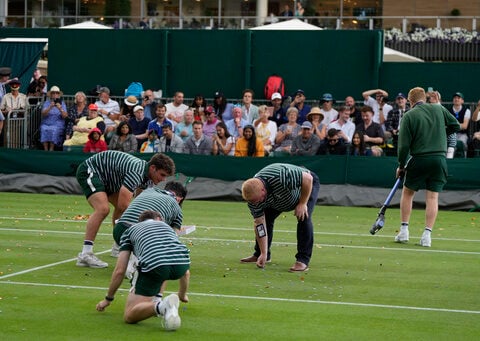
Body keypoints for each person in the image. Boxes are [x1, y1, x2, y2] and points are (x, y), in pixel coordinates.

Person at [75, 151, 175, 268]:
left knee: (121, 209)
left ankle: (118, 247)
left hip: (109, 178)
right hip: (91, 170)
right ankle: (85, 254)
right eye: (162, 175)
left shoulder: (148, 178)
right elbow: (124, 206)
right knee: (103, 209)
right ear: (153, 168)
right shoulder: (136, 173)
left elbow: (141, 205)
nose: (164, 180)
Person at [96, 210, 189, 331]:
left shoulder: (129, 231)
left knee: (129, 316)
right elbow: (186, 272)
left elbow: (120, 270)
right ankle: (160, 301)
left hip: (155, 265)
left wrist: (108, 299)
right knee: (164, 262)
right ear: (159, 218)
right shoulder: (167, 228)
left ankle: (162, 306)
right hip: (182, 263)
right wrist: (182, 294)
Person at [394, 87, 460, 247]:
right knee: (433, 197)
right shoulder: (439, 109)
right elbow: (456, 125)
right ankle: (427, 236)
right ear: (424, 98)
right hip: (439, 159)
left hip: (420, 158)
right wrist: (441, 133)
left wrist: (401, 166)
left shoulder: (409, 115)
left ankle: (404, 232)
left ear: (410, 101)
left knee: (408, 193)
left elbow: (403, 147)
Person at [240, 163, 320, 272]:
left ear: (263, 191)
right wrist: (263, 252)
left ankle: (302, 260)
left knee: (304, 217)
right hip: (280, 198)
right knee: (266, 219)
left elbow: (307, 178)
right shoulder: (254, 200)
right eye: (253, 202)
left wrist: (302, 203)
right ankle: (262, 255)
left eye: (257, 200)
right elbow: (259, 225)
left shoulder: (280, 176)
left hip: (305, 188)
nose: (256, 204)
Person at [40, 86, 68, 151]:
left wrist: (60, 109)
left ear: (58, 95)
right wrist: (50, 107)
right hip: (46, 123)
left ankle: (51, 149)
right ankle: (45, 149)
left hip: (58, 124)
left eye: (57, 93)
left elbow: (65, 116)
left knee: (54, 130)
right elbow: (43, 114)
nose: (55, 94)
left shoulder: (62, 103)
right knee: (43, 128)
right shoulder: (47, 103)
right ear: (51, 95)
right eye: (53, 93)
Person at [448, 92, 471, 156]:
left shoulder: (467, 111)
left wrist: (453, 125)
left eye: (458, 98)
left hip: (462, 134)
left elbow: (465, 126)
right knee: (450, 147)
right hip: (451, 134)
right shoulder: (448, 111)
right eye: (455, 98)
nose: (456, 99)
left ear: (462, 101)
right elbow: (447, 125)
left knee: (462, 144)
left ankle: (464, 161)